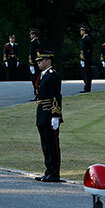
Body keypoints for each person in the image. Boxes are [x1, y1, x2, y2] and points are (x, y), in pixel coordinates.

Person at [34, 50, 63, 182]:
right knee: (45, 144)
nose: (39, 63)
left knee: (52, 145)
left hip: (50, 114)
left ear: (48, 61)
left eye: (41, 60)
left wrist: (56, 115)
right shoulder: (42, 75)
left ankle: (55, 173)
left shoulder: (52, 75)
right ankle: (48, 170)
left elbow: (56, 96)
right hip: (42, 113)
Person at [28, 28, 43, 98]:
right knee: (38, 78)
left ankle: (37, 94)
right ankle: (39, 93)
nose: (30, 35)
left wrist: (31, 64)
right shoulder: (39, 42)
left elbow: (32, 54)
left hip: (35, 64)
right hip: (39, 63)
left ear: (34, 35)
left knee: (35, 79)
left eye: (31, 34)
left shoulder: (33, 43)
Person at [79, 24, 94, 93]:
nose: (81, 32)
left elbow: (86, 50)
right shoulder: (85, 38)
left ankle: (87, 87)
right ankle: (86, 86)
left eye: (82, 30)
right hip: (86, 58)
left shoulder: (86, 39)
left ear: (85, 31)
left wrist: (83, 59)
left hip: (86, 59)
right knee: (85, 73)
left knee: (86, 73)